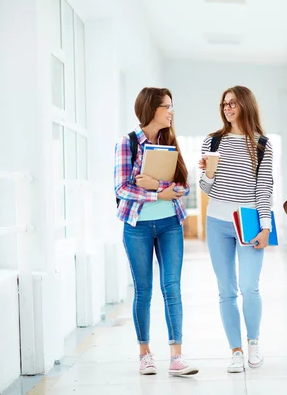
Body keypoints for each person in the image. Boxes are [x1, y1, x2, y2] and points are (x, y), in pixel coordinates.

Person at [114, 87, 198, 376]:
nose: (171, 111)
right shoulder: (127, 144)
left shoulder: (170, 141)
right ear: (151, 109)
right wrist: (155, 195)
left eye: (172, 106)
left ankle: (176, 356)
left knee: (172, 288)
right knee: (143, 290)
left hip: (170, 225)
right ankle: (145, 354)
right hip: (136, 226)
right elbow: (121, 187)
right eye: (166, 106)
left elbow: (184, 186)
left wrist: (158, 188)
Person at [198, 86, 274, 373]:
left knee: (249, 287)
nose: (227, 108)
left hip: (250, 220)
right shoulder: (211, 141)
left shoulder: (262, 143)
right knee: (226, 291)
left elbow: (263, 188)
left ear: (245, 104)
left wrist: (265, 227)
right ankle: (236, 351)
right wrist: (207, 173)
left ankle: (253, 344)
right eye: (224, 103)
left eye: (233, 103)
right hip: (216, 222)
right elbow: (206, 187)